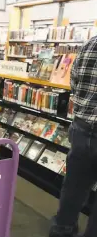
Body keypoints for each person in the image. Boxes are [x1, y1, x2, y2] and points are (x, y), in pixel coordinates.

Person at [49, 36, 97, 237]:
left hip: (82, 127)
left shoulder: (89, 44)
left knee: (74, 187)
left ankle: (62, 230)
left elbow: (74, 84)